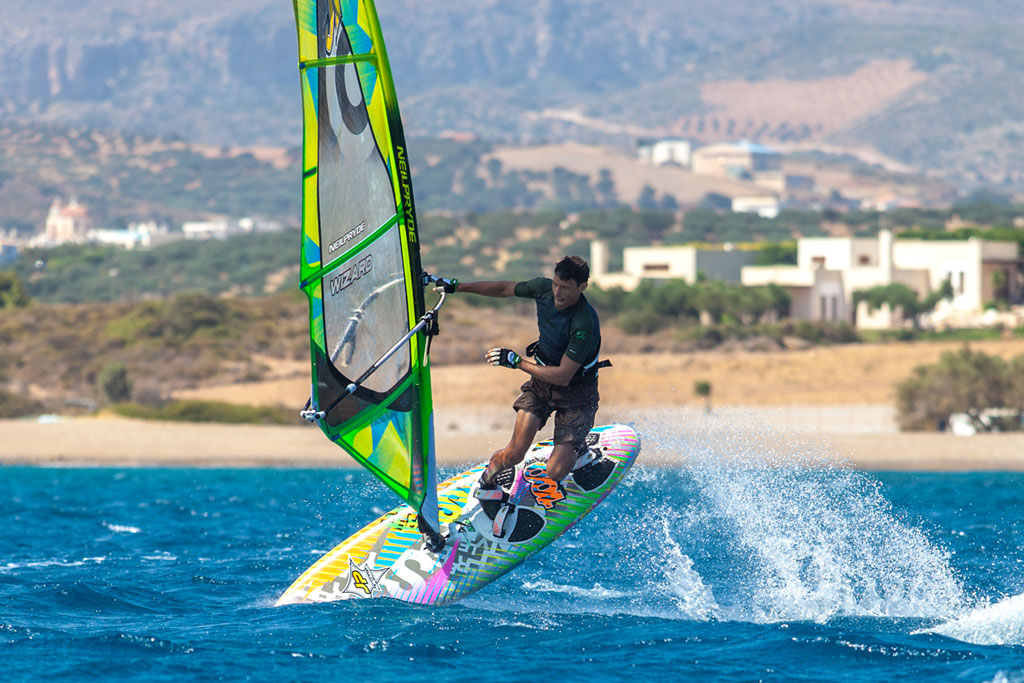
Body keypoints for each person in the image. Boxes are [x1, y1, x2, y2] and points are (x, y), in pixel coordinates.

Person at [433, 255, 607, 536]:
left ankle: (577, 450)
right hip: (541, 385)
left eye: (566, 288)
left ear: (582, 287)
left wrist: (516, 362)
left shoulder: (584, 323)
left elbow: (563, 375)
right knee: (514, 452)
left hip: (577, 393)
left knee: (554, 473)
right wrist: (457, 287)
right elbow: (503, 289)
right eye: (556, 284)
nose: (558, 293)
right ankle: (486, 485)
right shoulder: (542, 289)